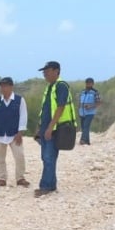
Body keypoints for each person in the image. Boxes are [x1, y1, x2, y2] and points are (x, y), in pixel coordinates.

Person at [34, 61, 75, 198]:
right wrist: (39, 127)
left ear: (56, 71)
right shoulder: (50, 87)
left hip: (55, 128)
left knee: (49, 157)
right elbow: (45, 109)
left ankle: (46, 186)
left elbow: (60, 107)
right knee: (45, 157)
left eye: (47, 70)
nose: (44, 73)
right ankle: (50, 184)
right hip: (47, 127)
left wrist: (50, 127)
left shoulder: (61, 86)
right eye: (44, 71)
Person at [0, 77, 30, 187]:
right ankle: (2, 178)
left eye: (5, 86)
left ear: (11, 87)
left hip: (14, 134)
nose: (3, 88)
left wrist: (20, 132)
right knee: (0, 158)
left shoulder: (19, 100)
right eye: (1, 86)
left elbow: (23, 116)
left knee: (19, 155)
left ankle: (20, 178)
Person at [78, 77, 101, 145]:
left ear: (93, 84)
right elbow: (80, 102)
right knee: (83, 127)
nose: (89, 85)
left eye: (90, 83)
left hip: (90, 112)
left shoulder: (95, 92)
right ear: (86, 84)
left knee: (86, 126)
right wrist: (79, 111)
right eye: (88, 83)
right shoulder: (82, 92)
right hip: (82, 112)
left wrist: (90, 106)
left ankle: (83, 140)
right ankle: (87, 141)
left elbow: (99, 102)